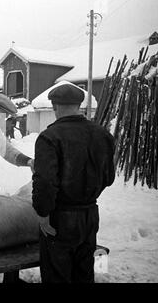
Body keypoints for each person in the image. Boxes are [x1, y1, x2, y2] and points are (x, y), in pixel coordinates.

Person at [32, 82, 115, 283]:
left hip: (60, 219)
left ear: (54, 106)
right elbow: (109, 177)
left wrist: (43, 214)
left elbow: (45, 182)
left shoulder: (49, 137)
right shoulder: (103, 135)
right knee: (84, 274)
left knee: (57, 277)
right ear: (79, 106)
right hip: (90, 216)